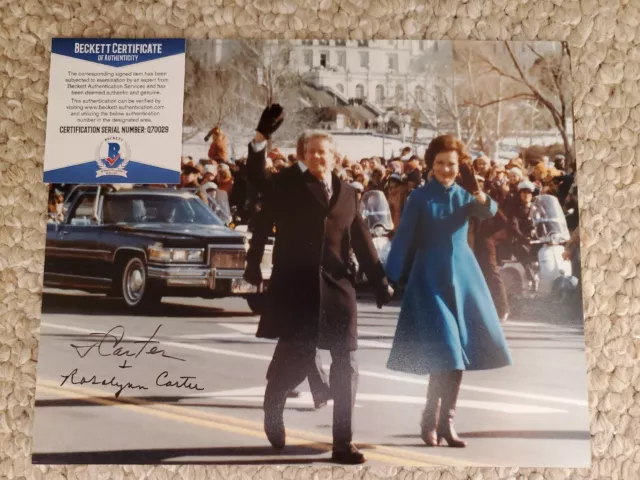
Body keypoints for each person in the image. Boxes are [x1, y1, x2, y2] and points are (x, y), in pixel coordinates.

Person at [243, 105, 393, 464]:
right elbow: (256, 176)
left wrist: (380, 280)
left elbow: (361, 240)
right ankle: (274, 403)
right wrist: (261, 138)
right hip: (297, 287)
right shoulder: (288, 185)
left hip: (339, 288)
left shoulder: (348, 193)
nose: (316, 158)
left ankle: (343, 442)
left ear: (334, 156)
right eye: (310, 153)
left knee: (347, 364)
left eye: (322, 152)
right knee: (294, 358)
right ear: (302, 157)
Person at [384, 134, 513, 449]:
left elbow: (489, 212)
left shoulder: (466, 195)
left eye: (451, 164)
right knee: (448, 352)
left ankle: (446, 422)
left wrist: (477, 189)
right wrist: (387, 277)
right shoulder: (418, 197)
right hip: (430, 279)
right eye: (440, 163)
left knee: (456, 356)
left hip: (463, 278)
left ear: (460, 167)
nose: (445, 169)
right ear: (431, 164)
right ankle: (431, 419)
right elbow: (403, 239)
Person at [508, 180, 539, 291]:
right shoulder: (516, 210)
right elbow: (514, 227)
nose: (526, 195)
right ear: (520, 194)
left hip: (537, 240)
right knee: (523, 252)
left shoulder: (537, 208)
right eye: (523, 193)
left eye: (528, 193)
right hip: (520, 241)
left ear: (532, 194)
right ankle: (532, 278)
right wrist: (523, 237)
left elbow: (545, 222)